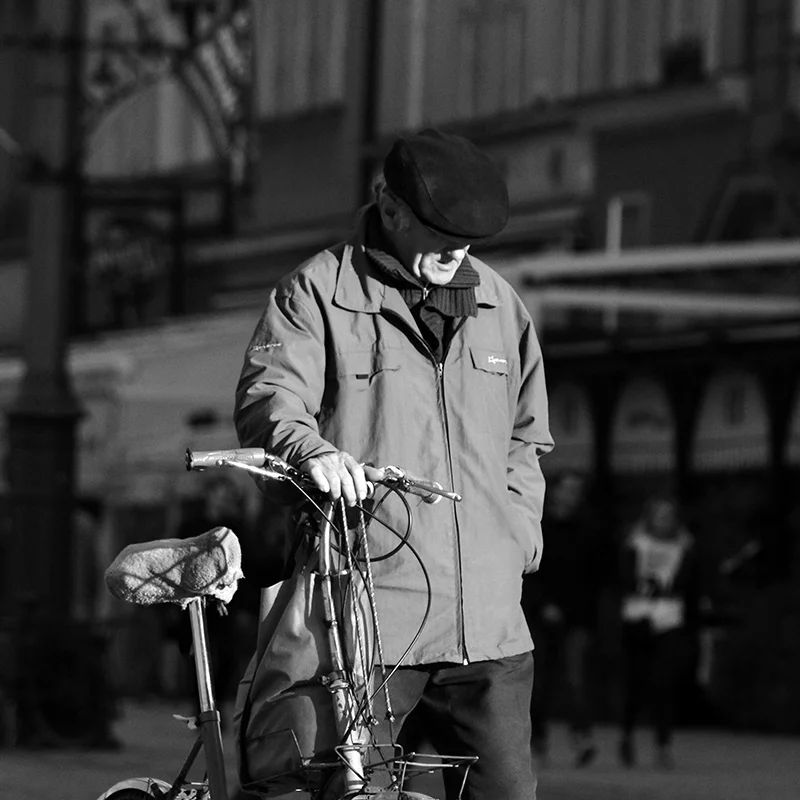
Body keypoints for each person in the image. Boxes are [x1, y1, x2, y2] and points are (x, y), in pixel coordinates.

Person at [234, 128, 553, 800]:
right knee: (353, 794)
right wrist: (312, 451)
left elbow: (527, 439)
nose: (458, 253)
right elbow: (270, 400)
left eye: (469, 240)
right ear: (390, 207)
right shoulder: (316, 293)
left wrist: (517, 537)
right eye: (442, 234)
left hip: (490, 629)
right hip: (370, 622)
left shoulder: (501, 306)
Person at [522, 470, 601, 767]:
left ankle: (582, 736)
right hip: (540, 615)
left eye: (577, 490)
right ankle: (538, 739)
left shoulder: (589, 529)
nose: (572, 495)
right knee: (540, 680)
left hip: (578, 617)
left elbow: (596, 576)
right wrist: (543, 604)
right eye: (567, 488)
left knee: (576, 678)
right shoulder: (538, 524)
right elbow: (528, 569)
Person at [617, 494, 700, 770]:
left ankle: (663, 745)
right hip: (637, 618)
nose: (664, 520)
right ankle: (627, 734)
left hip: (668, 620)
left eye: (669, 515)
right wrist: (645, 587)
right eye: (659, 515)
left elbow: (689, 584)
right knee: (635, 682)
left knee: (665, 683)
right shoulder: (635, 543)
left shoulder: (684, 546)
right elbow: (624, 579)